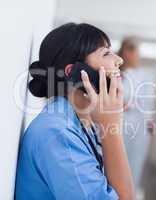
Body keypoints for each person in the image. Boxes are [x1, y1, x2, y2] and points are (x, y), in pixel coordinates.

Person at [15, 23, 134, 200]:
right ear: (74, 72)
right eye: (106, 53)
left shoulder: (79, 122)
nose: (119, 60)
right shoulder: (57, 134)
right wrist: (111, 127)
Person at [118, 38, 154, 198]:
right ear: (123, 52)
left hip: (139, 126)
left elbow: (147, 102)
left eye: (135, 51)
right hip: (118, 123)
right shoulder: (116, 73)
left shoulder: (145, 76)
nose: (132, 54)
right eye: (129, 50)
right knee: (116, 162)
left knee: (135, 165)